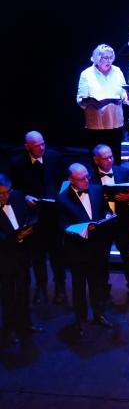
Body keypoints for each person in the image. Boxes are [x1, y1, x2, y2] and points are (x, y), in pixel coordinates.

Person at [11, 131, 66, 305]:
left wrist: (59, 197)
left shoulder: (55, 157)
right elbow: (14, 190)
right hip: (33, 217)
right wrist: (25, 197)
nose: (42, 148)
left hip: (54, 215)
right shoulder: (18, 164)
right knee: (37, 255)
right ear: (27, 147)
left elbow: (65, 181)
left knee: (58, 254)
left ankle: (60, 287)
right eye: (37, 145)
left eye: (43, 144)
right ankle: (41, 287)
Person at [58, 164, 113, 336]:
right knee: (79, 287)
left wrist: (108, 217)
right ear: (71, 180)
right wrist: (82, 229)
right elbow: (63, 226)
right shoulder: (62, 199)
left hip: (97, 248)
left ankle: (99, 314)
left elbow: (105, 210)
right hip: (78, 251)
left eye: (87, 176)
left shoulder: (96, 190)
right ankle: (80, 319)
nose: (86, 180)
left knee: (97, 284)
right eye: (82, 179)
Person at [91, 145, 129, 301]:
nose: (109, 160)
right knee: (101, 259)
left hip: (122, 222)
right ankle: (103, 288)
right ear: (96, 160)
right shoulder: (90, 177)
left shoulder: (124, 172)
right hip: (102, 225)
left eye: (111, 156)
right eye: (105, 158)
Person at [0, 174, 39, 345]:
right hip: (4, 260)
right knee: (7, 297)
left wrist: (29, 227)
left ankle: (25, 324)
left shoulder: (16, 196)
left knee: (24, 291)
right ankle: (8, 331)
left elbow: (29, 214)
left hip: (22, 256)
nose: (5, 196)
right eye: (0, 194)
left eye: (7, 192)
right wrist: (16, 238)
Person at [76, 44, 126, 159]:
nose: (109, 61)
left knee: (115, 158)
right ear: (98, 58)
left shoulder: (117, 71)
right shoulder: (86, 74)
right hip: (96, 125)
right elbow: (80, 100)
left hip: (115, 123)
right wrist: (88, 101)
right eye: (105, 58)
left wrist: (126, 96)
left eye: (111, 57)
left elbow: (123, 92)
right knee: (98, 160)